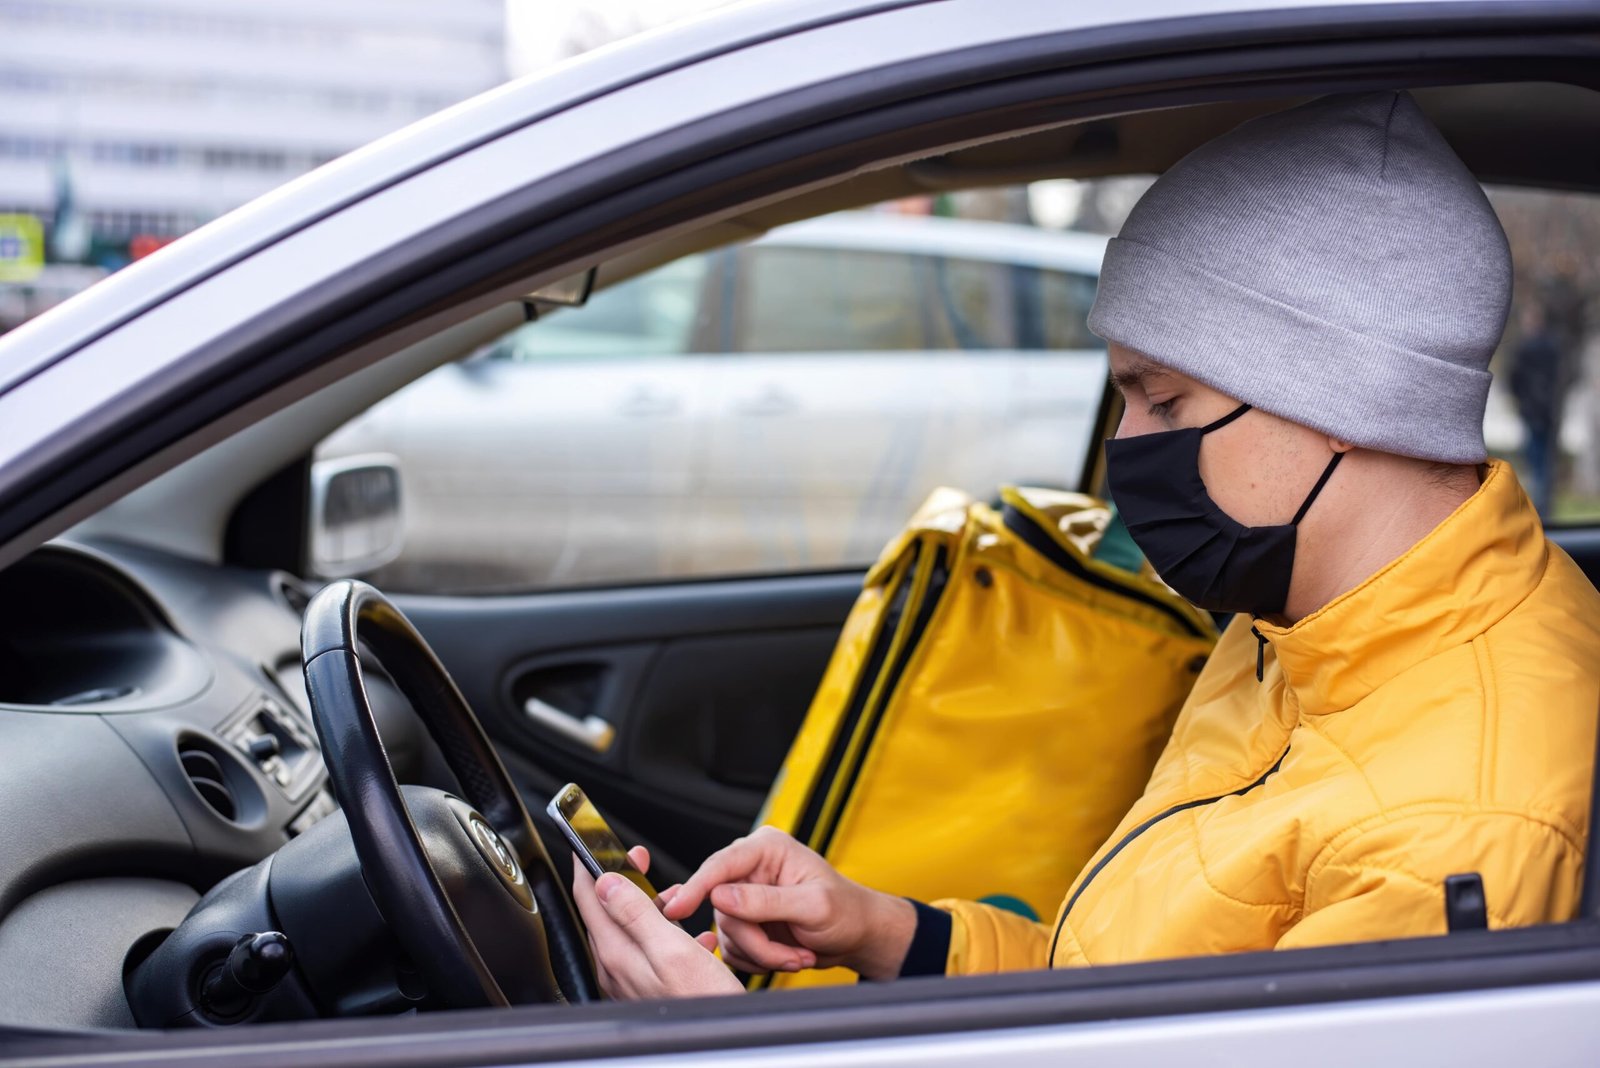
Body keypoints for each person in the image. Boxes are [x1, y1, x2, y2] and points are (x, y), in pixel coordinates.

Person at [569, 91, 1600, 999]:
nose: (1124, 449)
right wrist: (887, 931)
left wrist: (711, 1039)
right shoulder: (1303, 615)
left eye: (1164, 398)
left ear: (1344, 399)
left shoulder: (1453, 833)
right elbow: (1137, 997)